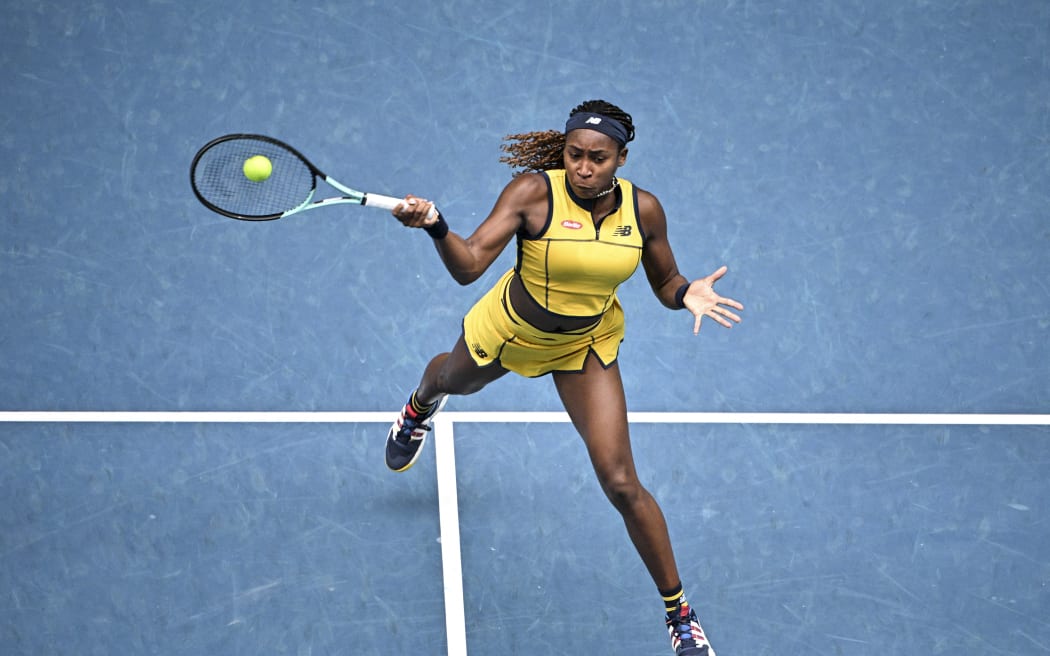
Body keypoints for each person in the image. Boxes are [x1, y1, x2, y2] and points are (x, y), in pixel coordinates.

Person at [384, 99, 742, 656]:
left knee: (621, 481)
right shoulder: (533, 193)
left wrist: (685, 292)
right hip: (511, 329)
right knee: (454, 379)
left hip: (585, 344)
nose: (583, 166)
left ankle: (680, 615)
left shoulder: (643, 210)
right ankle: (418, 406)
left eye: (598, 157)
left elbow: (666, 277)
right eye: (575, 154)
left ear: (621, 157)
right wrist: (435, 225)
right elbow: (470, 265)